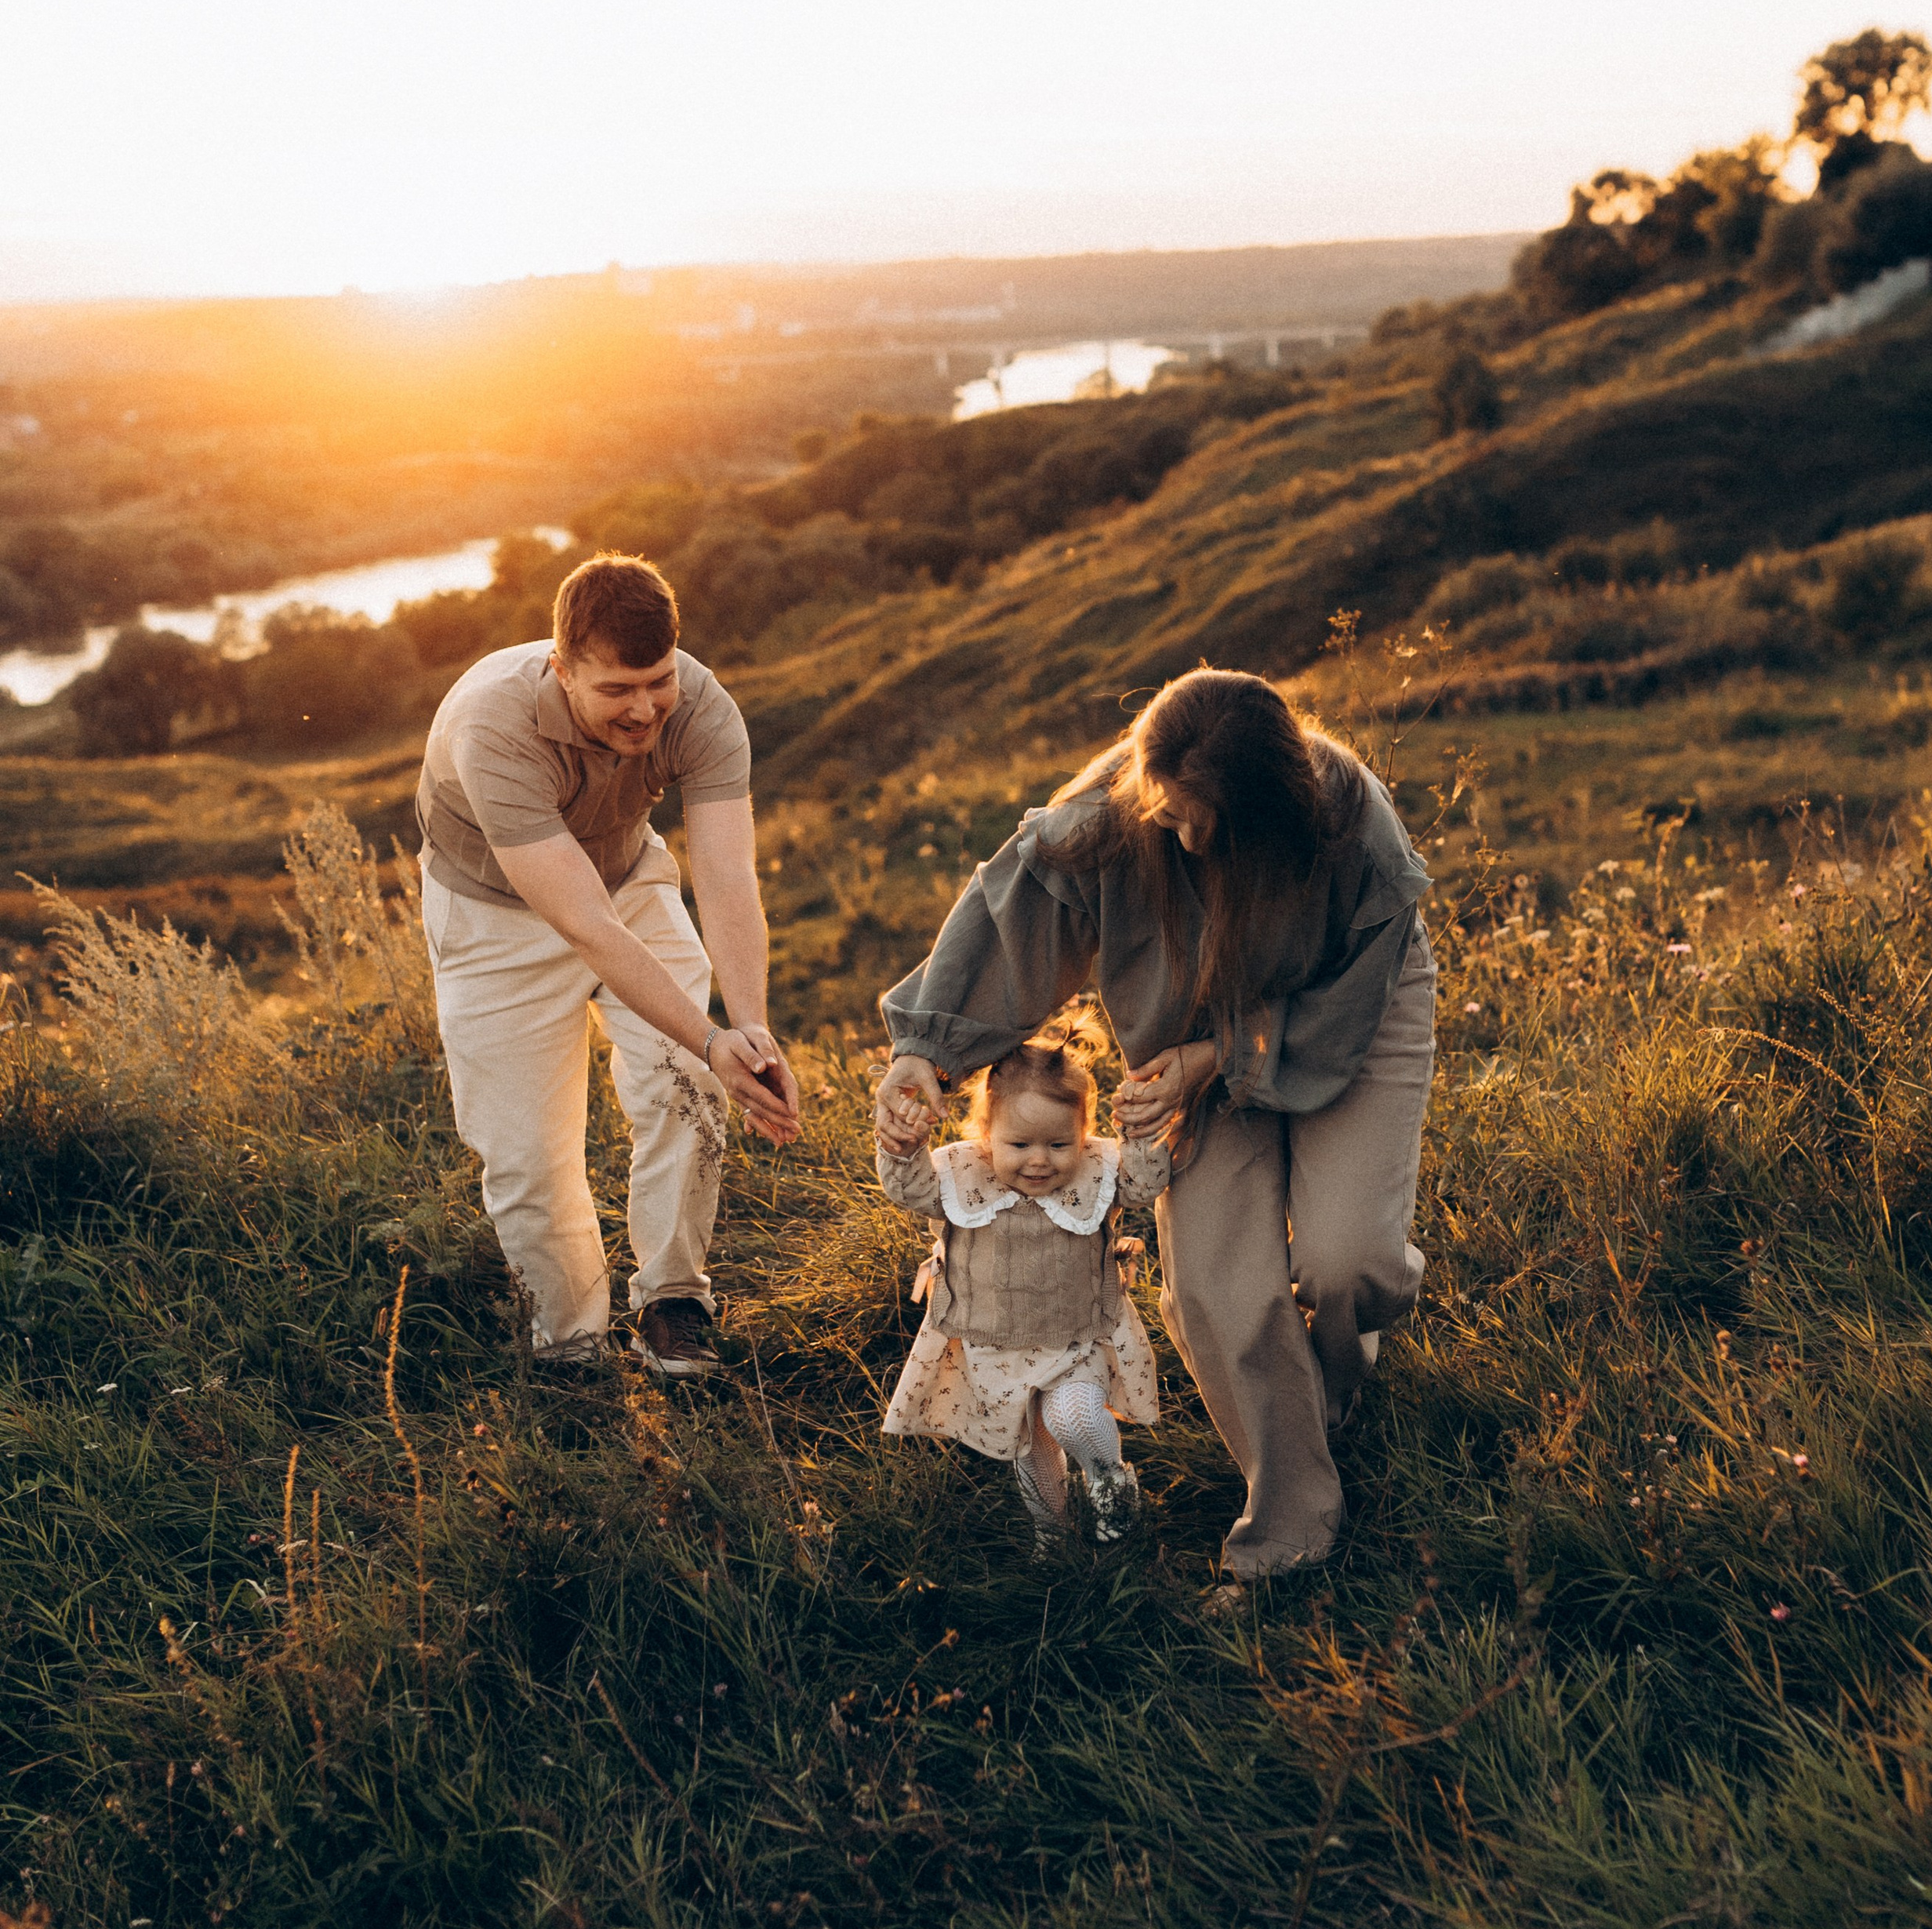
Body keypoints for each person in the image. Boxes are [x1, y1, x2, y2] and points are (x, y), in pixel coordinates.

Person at [874, 669, 1434, 1582]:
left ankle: (1330, 1386)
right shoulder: (1114, 809)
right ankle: (1290, 1528)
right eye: (1168, 815)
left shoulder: (1352, 827)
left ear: (1271, 807)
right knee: (1214, 1286)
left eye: (1207, 824)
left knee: (1349, 1262)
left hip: (1343, 1012)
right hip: (1185, 1025)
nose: (1184, 838)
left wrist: (1220, 1055)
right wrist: (925, 1053)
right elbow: (1009, 920)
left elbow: (1345, 1006)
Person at [416, 549, 800, 1381]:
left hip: (626, 876)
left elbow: (727, 877)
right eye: (617, 689)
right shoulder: (494, 727)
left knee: (687, 1080)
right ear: (563, 672)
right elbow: (584, 924)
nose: (645, 707)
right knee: (527, 1153)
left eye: (658, 681)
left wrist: (747, 1030)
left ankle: (672, 1302)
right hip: (495, 918)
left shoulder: (702, 705)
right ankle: (572, 1346)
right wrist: (709, 1037)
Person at [876, 1032, 1169, 1545]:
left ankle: (1112, 1489)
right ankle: (1052, 1535)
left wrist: (1140, 1135)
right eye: (1019, 1145)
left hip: (1078, 1338)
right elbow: (909, 1189)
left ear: (1084, 1133)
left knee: (1074, 1417)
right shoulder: (963, 1175)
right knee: (1031, 1445)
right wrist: (902, 1148)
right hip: (996, 1344)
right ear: (986, 1132)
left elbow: (1144, 1185)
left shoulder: (1096, 1172)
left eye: (1059, 1144)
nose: (1039, 1161)